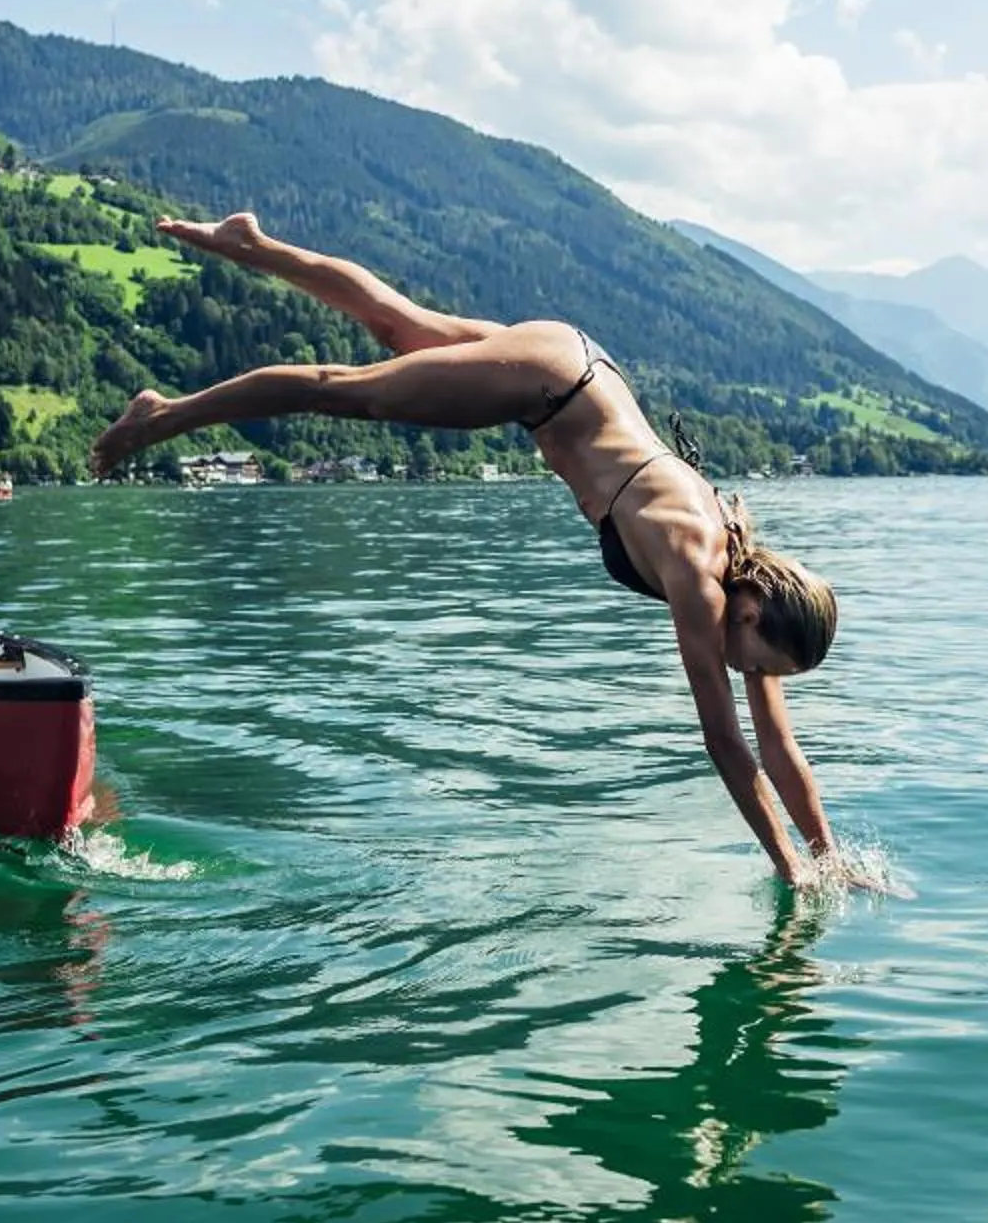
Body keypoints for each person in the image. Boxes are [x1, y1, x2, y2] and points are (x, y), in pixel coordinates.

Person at [88, 213, 854, 886]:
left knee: (398, 322)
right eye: (755, 663)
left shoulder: (744, 582)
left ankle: (251, 245)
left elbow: (776, 743)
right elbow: (726, 742)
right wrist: (790, 870)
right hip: (548, 385)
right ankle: (162, 416)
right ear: (752, 610)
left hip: (579, 365)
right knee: (344, 387)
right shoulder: (697, 573)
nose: (748, 675)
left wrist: (827, 854)